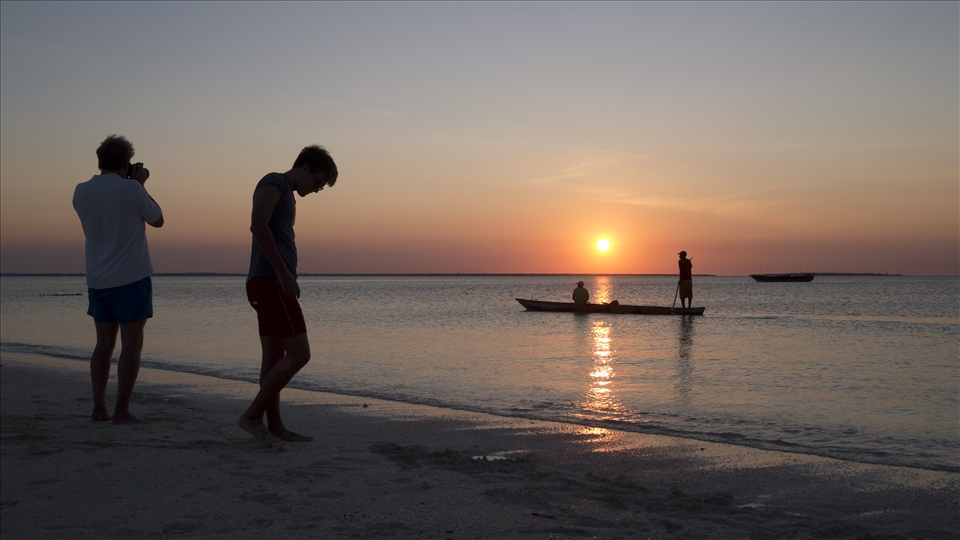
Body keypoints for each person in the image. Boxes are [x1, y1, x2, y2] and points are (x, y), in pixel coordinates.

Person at [238, 145, 338, 442]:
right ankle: (252, 416)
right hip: (270, 282)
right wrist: (282, 272)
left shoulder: (285, 191)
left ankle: (275, 426)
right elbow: (258, 226)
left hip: (267, 282)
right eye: (318, 182)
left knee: (274, 356)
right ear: (305, 168)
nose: (317, 189)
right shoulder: (275, 182)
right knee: (300, 353)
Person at [72, 135, 164, 424]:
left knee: (103, 345)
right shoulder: (131, 189)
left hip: (98, 278)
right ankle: (122, 409)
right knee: (131, 345)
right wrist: (140, 183)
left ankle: (99, 407)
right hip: (131, 277)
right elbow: (158, 218)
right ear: (126, 162)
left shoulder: (80, 191)